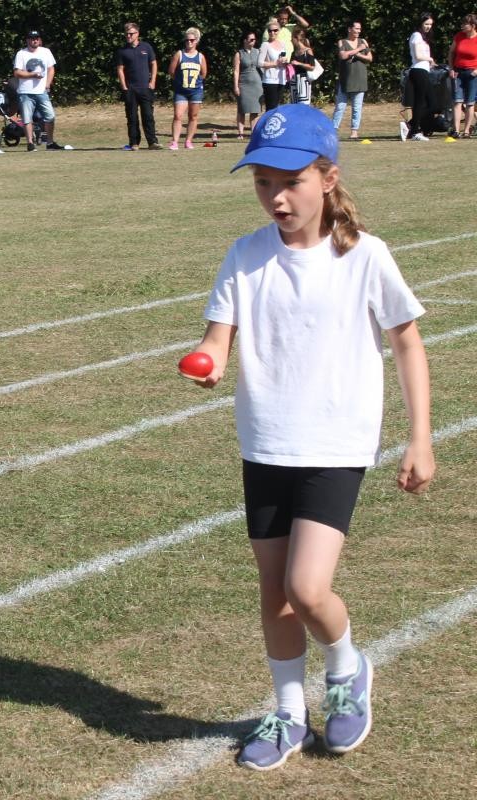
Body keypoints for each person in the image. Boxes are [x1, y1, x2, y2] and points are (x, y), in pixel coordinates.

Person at [187, 104, 434, 771]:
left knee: (307, 587)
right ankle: (290, 712)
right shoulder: (245, 255)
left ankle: (348, 665)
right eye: (263, 182)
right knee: (275, 594)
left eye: (290, 180)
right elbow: (218, 335)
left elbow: (407, 344)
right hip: (265, 443)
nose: (277, 196)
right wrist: (207, 359)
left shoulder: (365, 256)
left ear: (328, 177)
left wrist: (420, 439)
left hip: (335, 445)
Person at [14, 30, 62, 151]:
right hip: (25, 92)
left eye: (36, 38)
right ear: (27, 40)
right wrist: (33, 75)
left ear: (39, 40)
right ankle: (30, 143)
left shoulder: (46, 52)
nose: (34, 40)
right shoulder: (21, 54)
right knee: (27, 118)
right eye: (31, 38)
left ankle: (50, 143)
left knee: (50, 116)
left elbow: (51, 69)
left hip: (41, 92)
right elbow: (17, 72)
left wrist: (47, 84)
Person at [115, 22, 160, 150]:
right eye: (126, 34)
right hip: (130, 89)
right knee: (132, 117)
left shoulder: (146, 47)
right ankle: (134, 143)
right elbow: (120, 69)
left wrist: (152, 82)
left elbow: (154, 64)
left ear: (137, 34)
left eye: (131, 33)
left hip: (145, 88)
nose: (128, 36)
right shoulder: (122, 51)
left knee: (148, 116)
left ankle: (152, 142)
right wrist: (124, 86)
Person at [168, 28, 208, 150]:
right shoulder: (179, 54)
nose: (189, 42)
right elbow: (171, 71)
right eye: (187, 40)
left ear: (196, 41)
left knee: (193, 116)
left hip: (195, 91)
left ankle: (188, 141)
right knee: (178, 115)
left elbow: (204, 73)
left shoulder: (200, 57)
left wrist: (196, 83)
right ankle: (175, 141)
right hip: (181, 91)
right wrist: (179, 82)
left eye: (191, 40)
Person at [333, 21, 373, 139]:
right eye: (356, 28)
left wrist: (358, 55)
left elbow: (370, 58)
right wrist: (358, 49)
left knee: (357, 107)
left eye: (360, 29)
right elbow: (343, 56)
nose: (358, 31)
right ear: (349, 29)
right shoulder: (342, 42)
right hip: (345, 80)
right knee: (340, 106)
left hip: (359, 79)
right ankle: (333, 130)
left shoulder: (363, 41)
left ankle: (354, 132)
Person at [406, 13, 436, 141]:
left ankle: (411, 125)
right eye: (426, 24)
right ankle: (414, 132)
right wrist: (429, 59)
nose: (428, 27)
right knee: (420, 102)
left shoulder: (424, 38)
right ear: (420, 23)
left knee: (433, 104)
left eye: (430, 24)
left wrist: (431, 63)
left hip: (424, 71)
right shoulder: (416, 36)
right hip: (418, 71)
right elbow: (418, 56)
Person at [448, 14, 477, 138]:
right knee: (457, 101)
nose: (462, 26)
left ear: (473, 26)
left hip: (472, 73)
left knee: (470, 103)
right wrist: (451, 68)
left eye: (465, 24)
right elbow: (451, 53)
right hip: (458, 72)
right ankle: (456, 130)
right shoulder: (459, 37)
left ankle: (466, 132)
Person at [234, 31, 264, 137]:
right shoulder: (239, 53)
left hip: (257, 84)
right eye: (251, 39)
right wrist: (236, 86)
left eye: (254, 39)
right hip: (244, 84)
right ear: (245, 40)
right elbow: (236, 71)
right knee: (242, 109)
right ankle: (240, 133)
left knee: (255, 110)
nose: (253, 41)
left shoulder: (258, 52)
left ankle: (253, 132)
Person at [259, 20, 289, 111]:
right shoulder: (265, 45)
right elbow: (259, 63)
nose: (272, 32)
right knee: (271, 107)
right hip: (270, 80)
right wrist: (275, 63)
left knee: (276, 107)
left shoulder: (282, 44)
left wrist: (285, 61)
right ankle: (268, 125)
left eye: (275, 30)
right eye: (270, 31)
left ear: (279, 31)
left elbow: (283, 58)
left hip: (281, 78)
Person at [289, 28, 317, 105]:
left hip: (304, 80)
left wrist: (299, 63)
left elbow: (312, 67)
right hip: (294, 80)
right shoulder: (294, 53)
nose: (291, 41)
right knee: (294, 104)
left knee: (303, 104)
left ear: (297, 38)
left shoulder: (307, 50)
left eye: (292, 39)